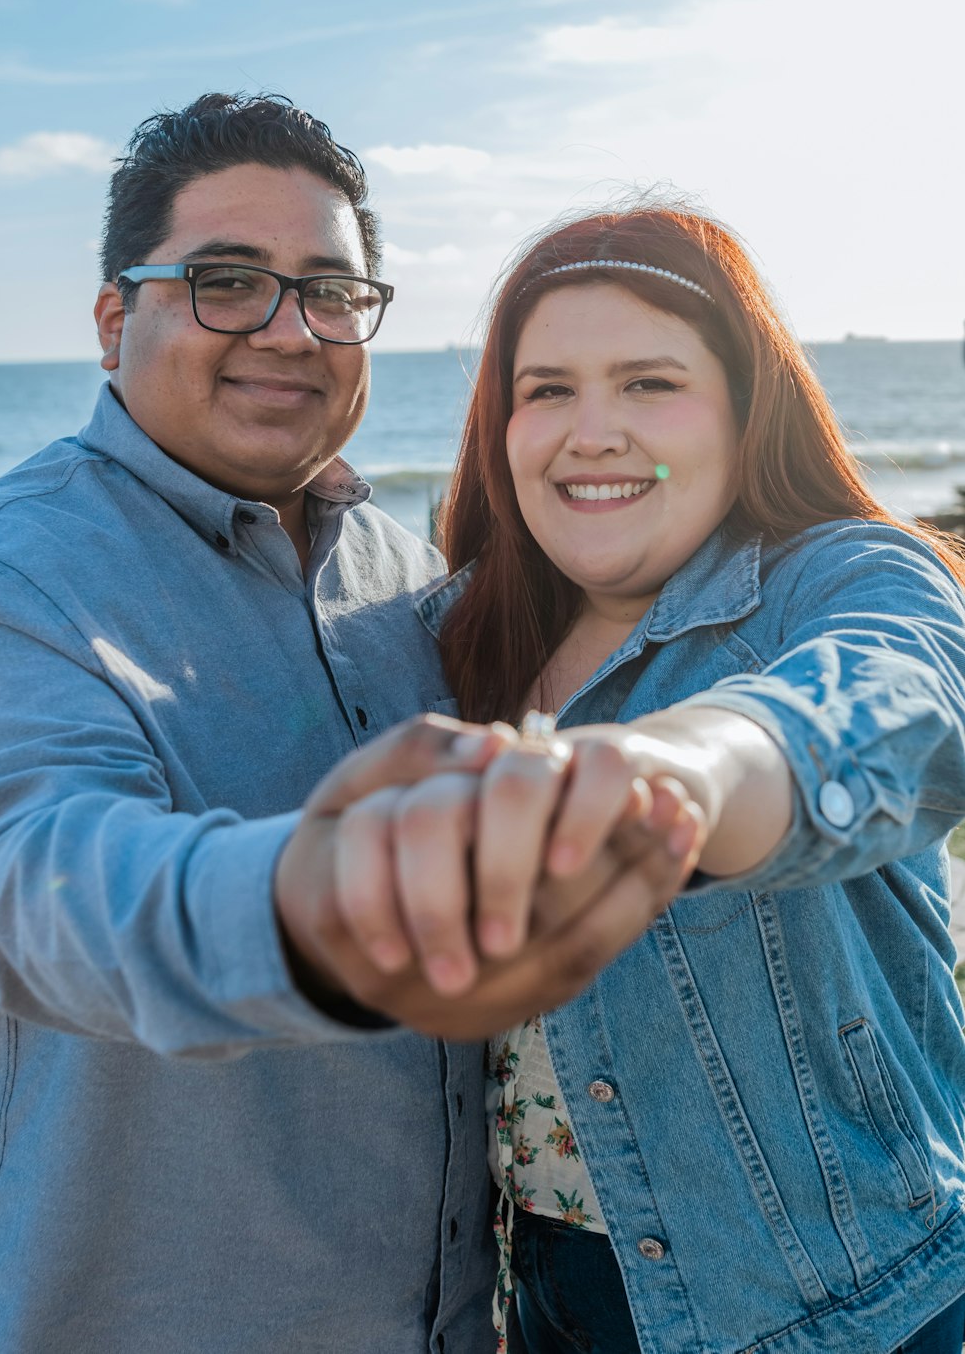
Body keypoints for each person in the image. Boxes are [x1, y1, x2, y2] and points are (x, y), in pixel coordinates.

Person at [0, 97, 698, 1353]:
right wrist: (316, 902)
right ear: (109, 320)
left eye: (331, 293)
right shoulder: (7, 581)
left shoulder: (409, 578)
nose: (289, 332)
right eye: (226, 284)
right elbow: (43, 886)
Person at [330, 205, 965, 1352]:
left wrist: (668, 769)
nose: (593, 431)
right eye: (549, 389)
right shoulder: (449, 644)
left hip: (839, 1301)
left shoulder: (845, 579)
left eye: (648, 382)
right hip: (546, 1293)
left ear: (740, 407)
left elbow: (891, 703)